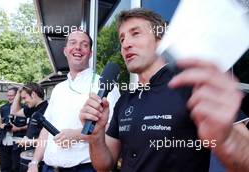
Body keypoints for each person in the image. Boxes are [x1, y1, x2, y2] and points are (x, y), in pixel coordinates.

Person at [79, 8, 249, 172]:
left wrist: (228, 139)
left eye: (135, 33)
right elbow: (104, 165)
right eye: (122, 39)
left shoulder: (193, 87)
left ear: (160, 40)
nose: (126, 44)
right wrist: (96, 137)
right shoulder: (124, 101)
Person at [28, 30, 120, 172]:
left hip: (85, 168)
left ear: (90, 53)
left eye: (84, 45)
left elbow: (113, 128)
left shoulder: (105, 85)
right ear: (65, 51)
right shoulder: (58, 89)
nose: (78, 47)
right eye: (73, 43)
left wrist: (76, 135)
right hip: (48, 168)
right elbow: (46, 130)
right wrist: (34, 162)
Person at [10, 83, 48, 172]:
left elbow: (51, 138)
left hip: (41, 159)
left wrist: (30, 142)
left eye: (24, 98)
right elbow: (14, 111)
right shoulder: (32, 108)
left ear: (33, 94)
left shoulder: (47, 109)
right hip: (30, 155)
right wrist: (19, 94)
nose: (24, 101)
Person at [0, 87, 28, 172]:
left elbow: (30, 125)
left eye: (12, 95)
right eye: (8, 96)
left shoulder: (26, 108)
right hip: (4, 142)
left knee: (16, 167)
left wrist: (18, 128)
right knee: (4, 167)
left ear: (18, 96)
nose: (9, 97)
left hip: (18, 143)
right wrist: (2, 125)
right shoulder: (2, 108)